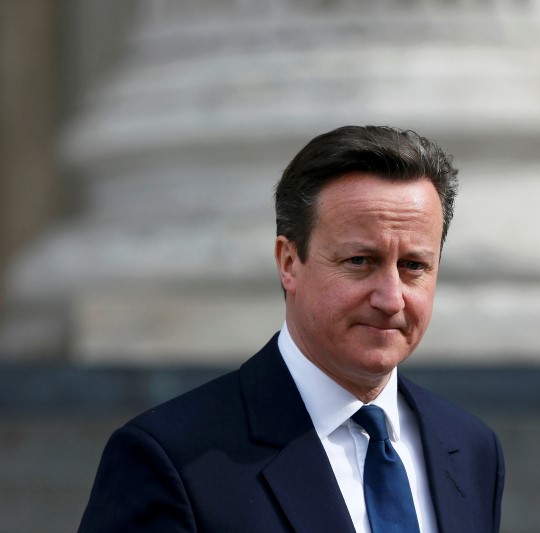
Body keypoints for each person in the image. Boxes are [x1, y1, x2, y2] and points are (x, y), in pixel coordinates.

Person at [78, 125, 504, 532]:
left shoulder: (470, 449)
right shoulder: (170, 459)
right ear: (288, 263)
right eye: (359, 261)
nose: (390, 298)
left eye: (413, 266)